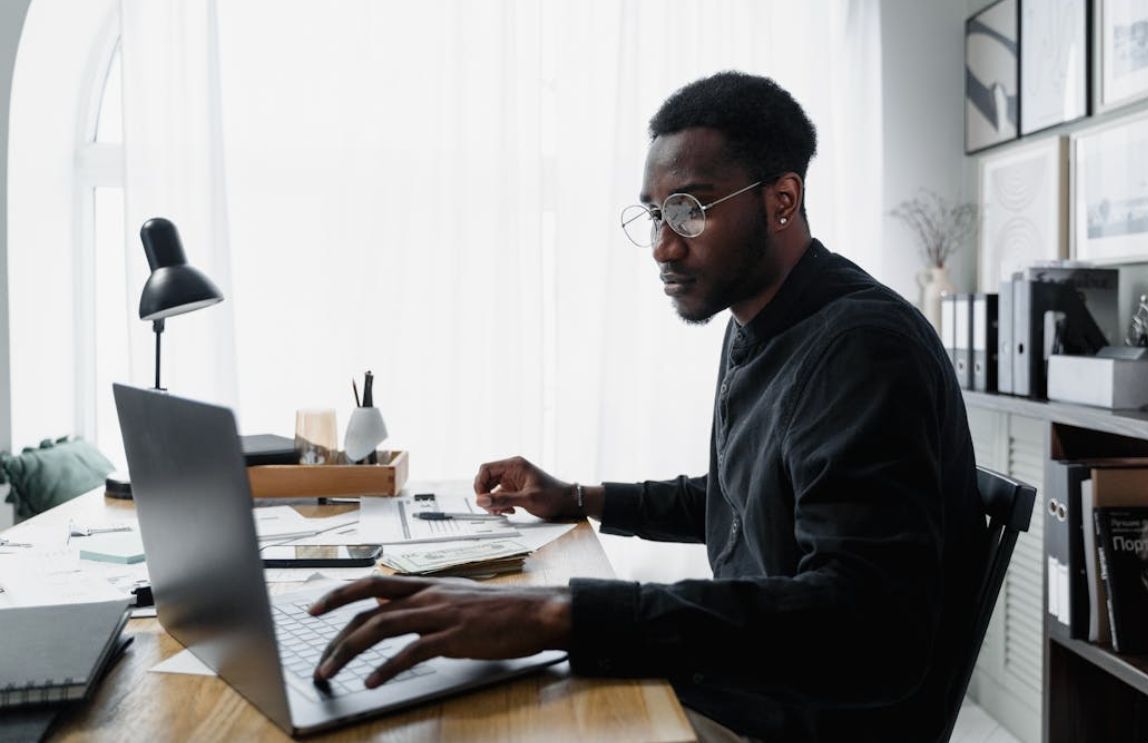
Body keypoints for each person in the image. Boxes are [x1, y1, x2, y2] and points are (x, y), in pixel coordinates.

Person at [309, 70, 985, 742]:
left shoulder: (861, 347)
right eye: (656, 213)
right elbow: (740, 499)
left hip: (808, 719)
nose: (663, 245)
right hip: (753, 686)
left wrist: (558, 613)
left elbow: (866, 627)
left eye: (690, 209)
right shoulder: (758, 319)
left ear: (782, 199)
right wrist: (577, 495)